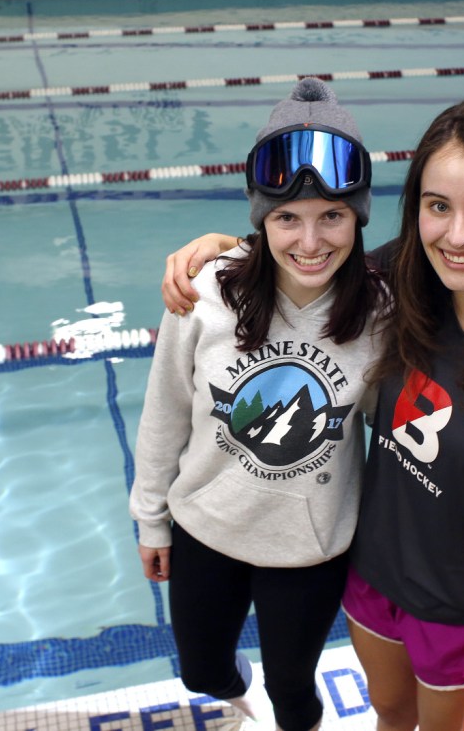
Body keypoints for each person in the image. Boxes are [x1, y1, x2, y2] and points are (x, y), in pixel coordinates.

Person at [160, 97, 464, 731]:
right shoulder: (403, 281)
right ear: (415, 209)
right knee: (390, 713)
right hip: (371, 575)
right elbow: (309, 255)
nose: (456, 236)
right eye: (437, 207)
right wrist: (228, 247)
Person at [130, 78, 387, 731]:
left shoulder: (383, 313)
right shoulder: (208, 290)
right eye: (286, 218)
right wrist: (150, 520)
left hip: (310, 550)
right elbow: (164, 412)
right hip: (205, 529)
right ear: (260, 218)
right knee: (202, 672)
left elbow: (399, 438)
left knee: (296, 692)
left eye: (332, 214)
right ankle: (234, 694)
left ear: (359, 215)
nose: (310, 241)